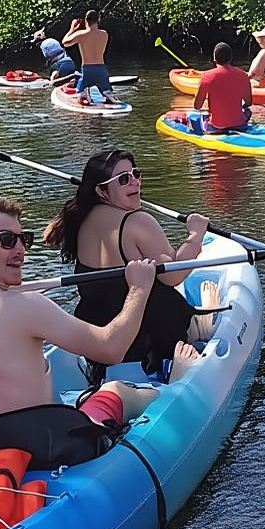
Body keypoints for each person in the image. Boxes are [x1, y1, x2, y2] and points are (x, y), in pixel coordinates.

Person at [0, 198, 202, 432]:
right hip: (48, 445)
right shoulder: (28, 306)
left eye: (25, 239)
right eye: (6, 240)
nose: (20, 249)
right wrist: (139, 288)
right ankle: (176, 385)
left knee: (81, 398)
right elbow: (111, 349)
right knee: (117, 390)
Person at [43, 149, 220, 378]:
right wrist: (196, 235)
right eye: (123, 179)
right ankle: (186, 340)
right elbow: (173, 274)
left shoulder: (80, 219)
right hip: (145, 338)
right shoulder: (138, 221)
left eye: (135, 174)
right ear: (101, 191)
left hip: (100, 334)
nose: (135, 182)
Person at [193, 42, 254, 133]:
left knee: (198, 116)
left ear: (214, 59)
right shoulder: (243, 75)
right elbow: (248, 102)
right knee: (247, 111)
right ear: (231, 58)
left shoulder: (207, 76)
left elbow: (197, 106)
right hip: (240, 125)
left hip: (216, 126)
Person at [63, 9, 115, 103]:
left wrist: (72, 29)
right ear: (98, 20)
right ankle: (107, 93)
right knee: (105, 87)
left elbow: (65, 43)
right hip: (102, 70)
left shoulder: (81, 34)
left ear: (86, 20)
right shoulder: (105, 34)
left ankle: (83, 93)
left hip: (87, 70)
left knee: (80, 83)